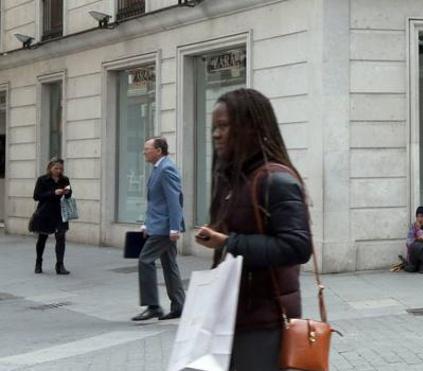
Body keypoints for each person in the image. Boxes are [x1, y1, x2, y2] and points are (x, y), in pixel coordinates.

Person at [195, 88, 312, 371]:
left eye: (224, 126)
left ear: (250, 127)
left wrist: (229, 242)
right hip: (232, 315)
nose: (216, 134)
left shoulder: (276, 179)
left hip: (265, 320)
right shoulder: (234, 177)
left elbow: (298, 247)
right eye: (214, 127)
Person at [131, 137, 186, 322]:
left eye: (147, 148)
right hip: (159, 225)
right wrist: (147, 223)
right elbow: (156, 201)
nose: (144, 152)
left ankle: (153, 306)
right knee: (170, 265)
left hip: (164, 228)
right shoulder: (158, 169)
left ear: (159, 151)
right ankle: (179, 306)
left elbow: (174, 200)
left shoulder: (166, 169)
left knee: (145, 260)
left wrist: (174, 228)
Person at [31, 158, 72, 275]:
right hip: (46, 212)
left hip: (60, 212)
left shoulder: (65, 179)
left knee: (61, 237)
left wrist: (67, 192)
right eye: (56, 168)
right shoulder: (42, 180)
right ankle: (38, 262)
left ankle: (60, 265)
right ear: (50, 168)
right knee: (42, 238)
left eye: (61, 169)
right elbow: (36, 196)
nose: (59, 171)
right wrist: (53, 193)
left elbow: (69, 194)